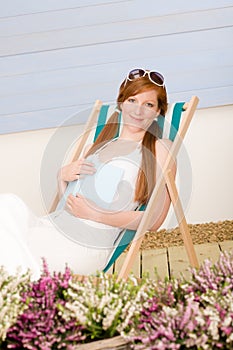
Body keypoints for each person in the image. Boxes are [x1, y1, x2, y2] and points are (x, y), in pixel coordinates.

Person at [0, 68, 176, 278]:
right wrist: (62, 177)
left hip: (84, 245)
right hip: (53, 226)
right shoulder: (99, 146)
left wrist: (96, 214)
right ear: (121, 104)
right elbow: (70, 203)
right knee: (7, 203)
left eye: (148, 105)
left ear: (158, 113)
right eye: (132, 101)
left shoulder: (160, 148)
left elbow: (154, 220)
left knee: (12, 250)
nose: (138, 111)